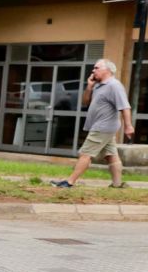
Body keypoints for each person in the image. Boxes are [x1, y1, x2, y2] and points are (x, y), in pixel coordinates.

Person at [55, 59, 133, 190]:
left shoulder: (114, 85)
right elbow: (85, 102)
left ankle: (69, 182)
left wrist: (128, 125)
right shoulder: (98, 85)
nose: (93, 70)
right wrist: (89, 87)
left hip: (104, 126)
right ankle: (117, 184)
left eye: (96, 68)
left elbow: (125, 107)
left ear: (107, 70)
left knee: (85, 154)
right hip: (101, 126)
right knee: (111, 156)